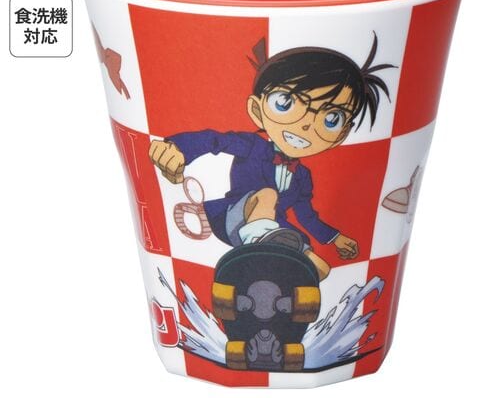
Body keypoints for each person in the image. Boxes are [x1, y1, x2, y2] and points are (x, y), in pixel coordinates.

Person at [149, 33, 394, 280]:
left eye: (332, 118)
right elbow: (216, 140)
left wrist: (335, 238)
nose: (307, 124)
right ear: (257, 110)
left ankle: (273, 295)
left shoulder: (302, 176)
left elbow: (306, 215)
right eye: (285, 103)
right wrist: (177, 148)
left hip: (278, 231)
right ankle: (257, 252)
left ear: (341, 135)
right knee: (267, 195)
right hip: (233, 216)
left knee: (320, 268)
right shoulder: (254, 146)